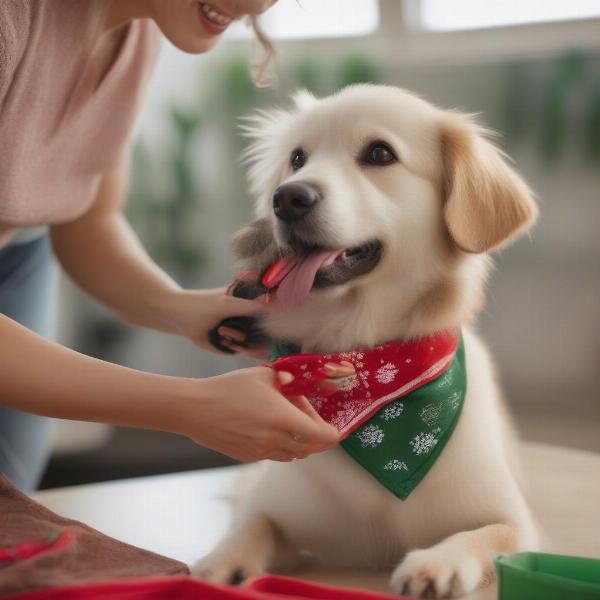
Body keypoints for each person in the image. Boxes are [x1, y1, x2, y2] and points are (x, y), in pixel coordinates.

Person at [0, 0, 340, 492]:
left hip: (21, 253)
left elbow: (88, 220)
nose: (256, 4)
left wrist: (177, 308)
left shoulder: (137, 32)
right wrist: (190, 407)